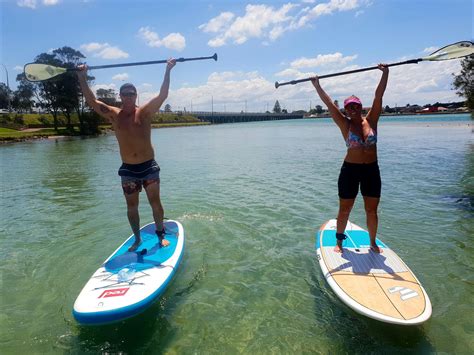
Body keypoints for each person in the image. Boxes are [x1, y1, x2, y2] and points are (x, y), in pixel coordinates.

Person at [77, 58, 177, 252]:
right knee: (132, 207)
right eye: (125, 94)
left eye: (131, 94)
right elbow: (91, 101)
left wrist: (168, 69)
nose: (129, 97)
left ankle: (160, 234)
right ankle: (137, 239)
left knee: (155, 203)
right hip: (128, 169)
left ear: (136, 95)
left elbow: (163, 95)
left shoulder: (145, 112)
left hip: (148, 166)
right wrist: (82, 77)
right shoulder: (114, 114)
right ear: (121, 96)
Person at [311, 64, 389, 253]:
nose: (353, 109)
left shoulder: (372, 120)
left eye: (356, 106)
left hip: (371, 169)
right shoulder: (344, 124)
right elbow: (330, 104)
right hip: (350, 171)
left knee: (371, 210)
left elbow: (378, 96)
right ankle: (339, 242)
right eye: (349, 107)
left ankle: (372, 242)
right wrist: (317, 85)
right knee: (345, 208)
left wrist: (385, 73)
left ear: (361, 107)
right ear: (345, 110)